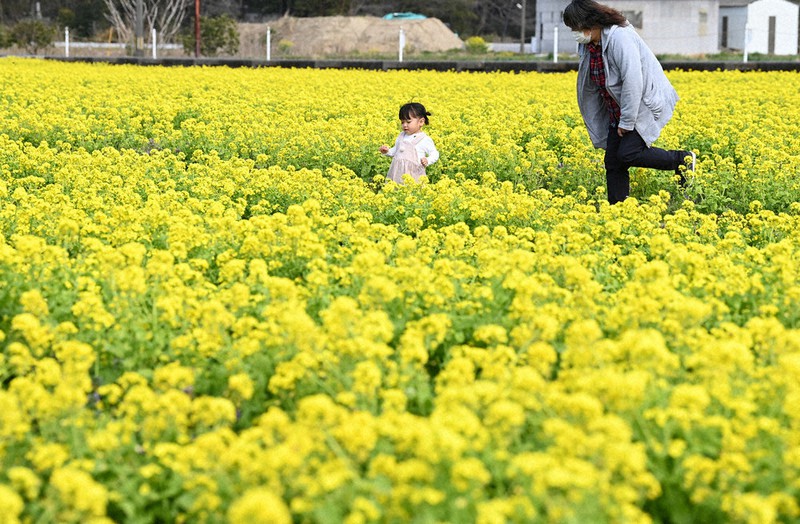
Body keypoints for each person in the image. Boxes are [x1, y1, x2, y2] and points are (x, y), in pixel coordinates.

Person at [563, 0, 696, 204]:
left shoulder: (620, 38)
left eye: (576, 28)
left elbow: (633, 81)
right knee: (613, 161)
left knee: (628, 153)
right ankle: (619, 209)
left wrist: (627, 121)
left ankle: (681, 160)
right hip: (616, 109)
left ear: (591, 23)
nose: (575, 33)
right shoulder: (589, 45)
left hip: (640, 104)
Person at [379, 102, 439, 184]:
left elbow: (435, 153)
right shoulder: (401, 136)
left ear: (421, 122)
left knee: (413, 192)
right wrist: (387, 151)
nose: (404, 125)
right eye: (402, 122)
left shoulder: (424, 139)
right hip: (397, 172)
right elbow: (396, 150)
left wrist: (428, 160)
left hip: (414, 175)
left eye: (408, 122)